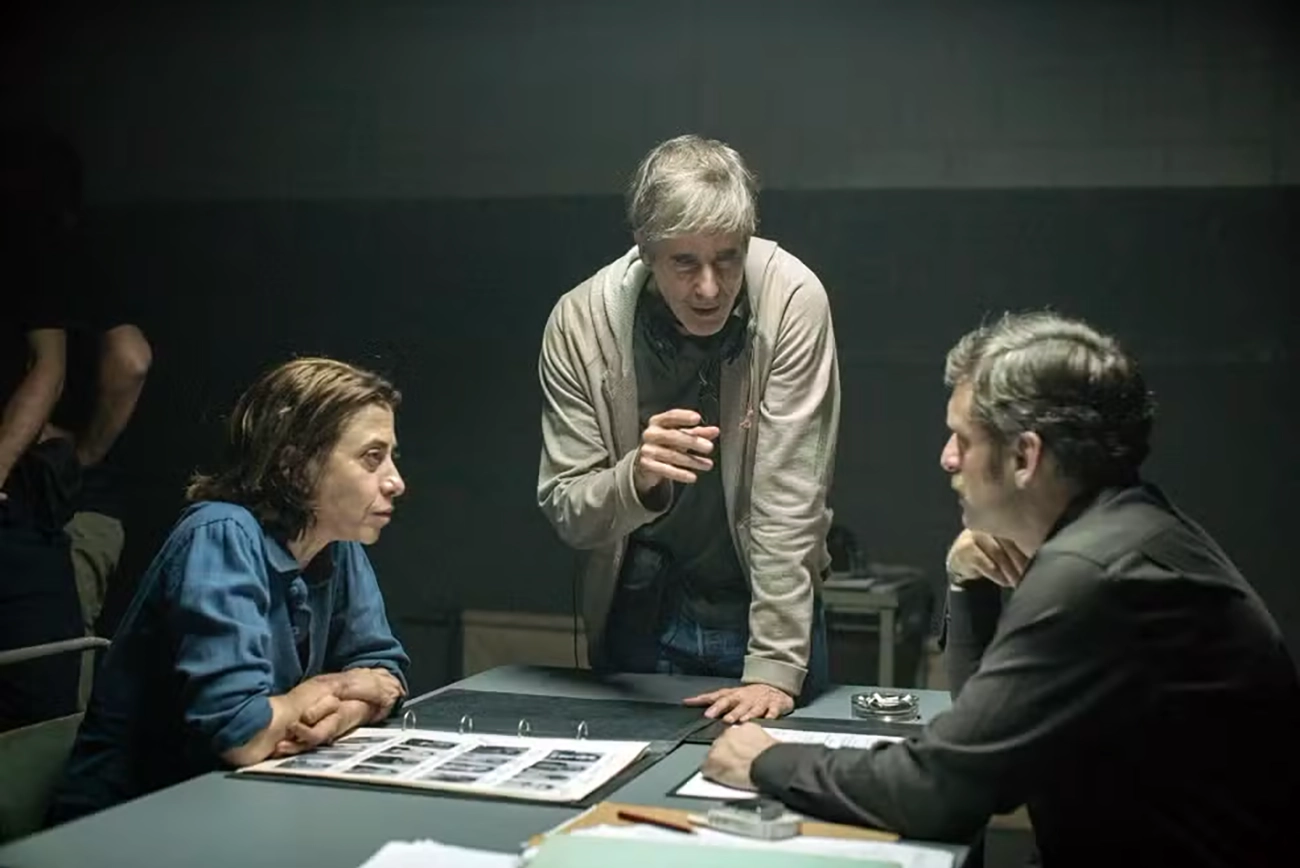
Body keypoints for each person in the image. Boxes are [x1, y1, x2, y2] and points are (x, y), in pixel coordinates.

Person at [702, 312, 1300, 867]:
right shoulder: (1134, 532)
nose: (947, 459)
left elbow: (941, 791)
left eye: (962, 439)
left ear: (1024, 456)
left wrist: (766, 760)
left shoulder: (1091, 575)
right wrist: (969, 585)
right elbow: (982, 732)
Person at [536, 134, 840, 723]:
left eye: (727, 258)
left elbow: (790, 498)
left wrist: (776, 666)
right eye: (684, 263)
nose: (709, 287)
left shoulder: (791, 299)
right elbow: (569, 509)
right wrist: (636, 479)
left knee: (780, 773)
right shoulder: (579, 323)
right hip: (641, 609)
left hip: (768, 608)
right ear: (646, 251)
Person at [48, 357, 411, 823]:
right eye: (372, 458)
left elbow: (385, 674)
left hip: (236, 803)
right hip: (127, 823)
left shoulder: (336, 542)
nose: (396, 482)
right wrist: (335, 685)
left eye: (392, 457)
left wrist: (333, 719)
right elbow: (241, 734)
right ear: (295, 466)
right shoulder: (220, 534)